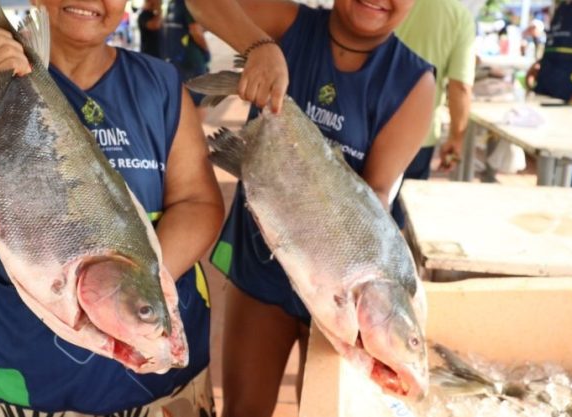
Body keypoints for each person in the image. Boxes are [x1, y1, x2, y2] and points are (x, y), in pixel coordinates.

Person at [0, 0, 224, 415]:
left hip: (155, 372)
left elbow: (199, 202)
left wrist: (127, 296)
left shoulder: (160, 83)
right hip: (31, 373)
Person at [183, 0, 436, 415]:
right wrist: (260, 47)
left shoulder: (413, 82)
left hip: (349, 280)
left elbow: (375, 196)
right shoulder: (289, 24)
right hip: (265, 264)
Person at [392, 0, 476, 228]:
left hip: (368, 120)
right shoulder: (458, 16)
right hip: (418, 133)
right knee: (400, 217)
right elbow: (460, 87)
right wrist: (456, 139)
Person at [163, 0, 211, 105]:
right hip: (191, 58)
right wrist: (206, 50)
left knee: (182, 99)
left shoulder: (172, 4)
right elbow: (195, 31)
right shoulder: (189, 3)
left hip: (175, 57)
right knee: (200, 101)